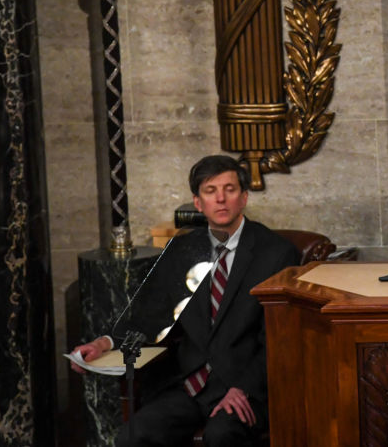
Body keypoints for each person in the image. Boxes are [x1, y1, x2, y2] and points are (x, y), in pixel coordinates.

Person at [70, 155, 300, 447]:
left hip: (247, 387)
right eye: (210, 191)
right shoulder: (181, 250)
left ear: (243, 198)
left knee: (221, 435)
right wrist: (103, 343)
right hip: (190, 385)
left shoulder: (277, 254)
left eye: (229, 190)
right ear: (198, 202)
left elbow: (280, 340)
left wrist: (245, 388)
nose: (220, 199)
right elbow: (149, 315)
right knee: (133, 435)